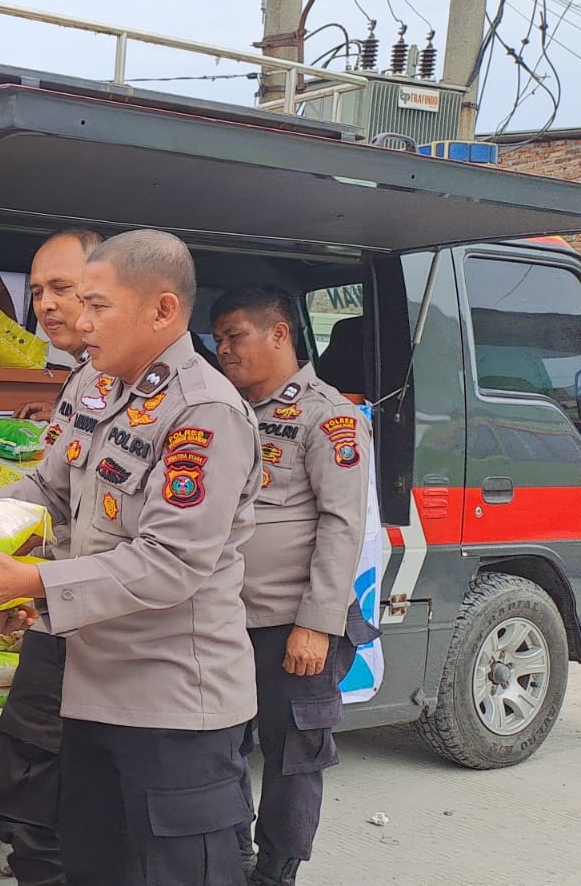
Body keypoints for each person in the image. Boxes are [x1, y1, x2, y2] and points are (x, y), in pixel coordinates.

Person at [0, 229, 261, 886]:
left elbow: (170, 561)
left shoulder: (204, 410)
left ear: (162, 311)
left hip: (172, 713)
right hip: (88, 698)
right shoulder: (93, 384)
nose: (79, 324)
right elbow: (47, 488)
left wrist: (27, 581)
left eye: (97, 307)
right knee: (88, 866)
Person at [210, 289, 377, 886]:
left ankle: (275, 871)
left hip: (291, 625)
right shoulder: (221, 410)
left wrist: (317, 622)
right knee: (215, 746)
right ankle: (230, 858)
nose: (224, 350)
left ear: (279, 334)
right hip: (222, 619)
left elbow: (342, 523)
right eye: (219, 339)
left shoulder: (327, 416)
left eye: (235, 336)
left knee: (292, 755)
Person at [0, 226, 101, 886]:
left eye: (62, 287)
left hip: (108, 630)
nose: (44, 305)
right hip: (59, 614)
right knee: (35, 800)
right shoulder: (80, 381)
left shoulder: (159, 393)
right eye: (38, 291)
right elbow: (48, 486)